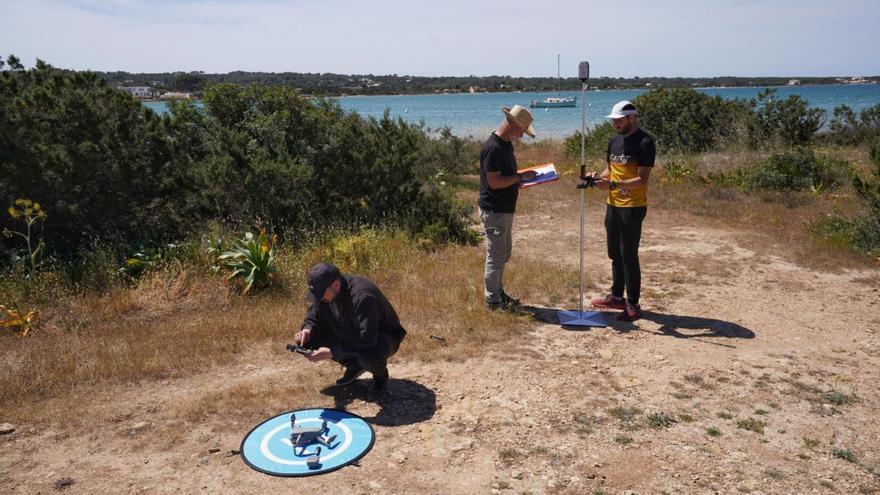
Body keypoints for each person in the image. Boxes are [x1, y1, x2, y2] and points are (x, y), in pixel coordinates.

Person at [587, 101, 656, 321]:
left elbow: (642, 179)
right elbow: (611, 168)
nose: (615, 124)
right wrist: (598, 177)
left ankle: (633, 304)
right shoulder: (614, 141)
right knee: (614, 252)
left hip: (633, 207)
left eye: (619, 120)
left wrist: (614, 185)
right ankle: (617, 296)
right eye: (614, 120)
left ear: (632, 118)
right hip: (613, 204)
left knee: (628, 255)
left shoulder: (645, 142)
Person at [292, 262, 406, 392]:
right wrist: (307, 328)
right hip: (351, 331)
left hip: (383, 337)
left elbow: (367, 339)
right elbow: (314, 315)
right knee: (309, 340)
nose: (320, 299)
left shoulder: (362, 296)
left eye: (321, 295)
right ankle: (354, 365)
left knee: (367, 356)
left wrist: (332, 352)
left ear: (335, 284)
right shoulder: (325, 294)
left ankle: (381, 378)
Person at [478, 104, 539, 311]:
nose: (522, 135)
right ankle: (493, 301)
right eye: (521, 130)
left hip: (504, 210)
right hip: (494, 210)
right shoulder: (493, 148)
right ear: (512, 125)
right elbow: (494, 182)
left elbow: (505, 176)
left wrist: (520, 178)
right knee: (495, 255)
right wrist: (520, 177)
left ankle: (498, 293)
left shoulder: (505, 145)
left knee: (503, 253)